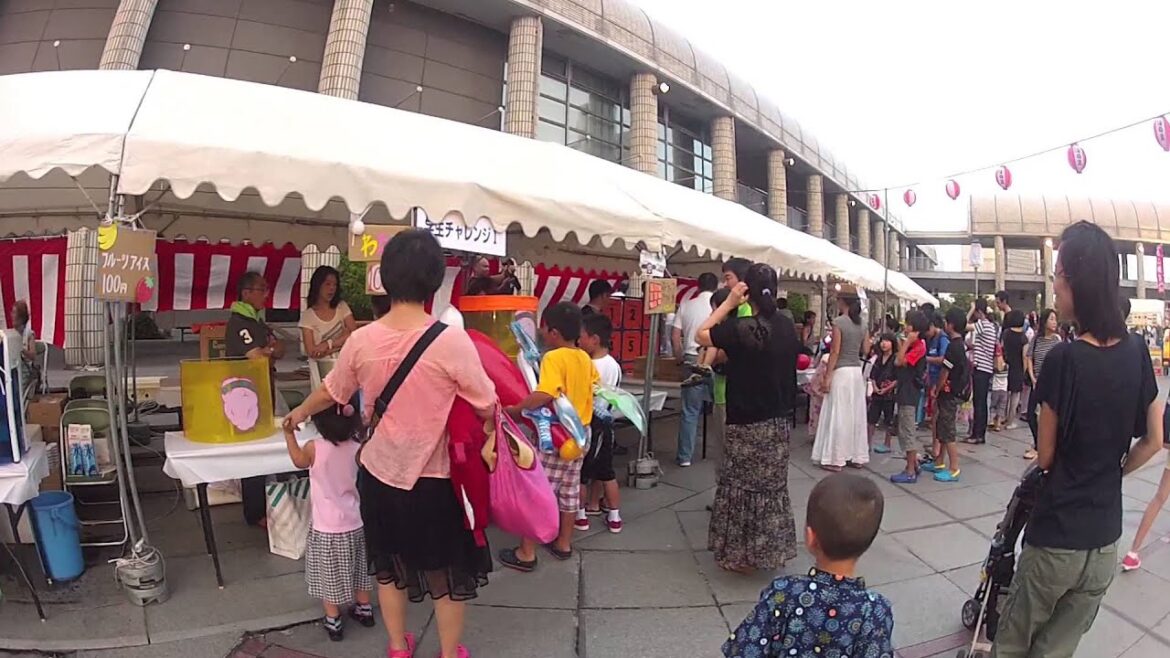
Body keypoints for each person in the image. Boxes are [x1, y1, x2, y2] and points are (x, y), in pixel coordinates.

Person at [284, 230, 497, 658]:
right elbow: (487, 403)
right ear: (434, 282)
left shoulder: (362, 339)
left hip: (379, 477)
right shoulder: (451, 339)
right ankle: (449, 651)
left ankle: (398, 647)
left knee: (389, 568)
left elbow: (331, 391)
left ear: (386, 279)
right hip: (435, 481)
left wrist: (297, 414)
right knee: (444, 574)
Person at [992, 222, 1163, 658]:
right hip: (1105, 541)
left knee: (1011, 645)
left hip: (1056, 538)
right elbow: (1153, 438)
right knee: (1056, 650)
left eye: (1056, 276)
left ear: (1073, 282)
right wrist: (1112, 471)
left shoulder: (1063, 359)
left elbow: (1046, 456)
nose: (1053, 286)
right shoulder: (1137, 351)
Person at [697, 263, 800, 573]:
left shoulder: (743, 328)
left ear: (746, 290)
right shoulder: (786, 326)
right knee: (770, 488)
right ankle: (769, 551)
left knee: (740, 487)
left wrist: (728, 303)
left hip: (745, 421)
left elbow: (701, 335)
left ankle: (742, 555)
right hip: (778, 422)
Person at [722, 473, 893, 658]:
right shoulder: (874, 610)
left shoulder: (783, 592)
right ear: (868, 543)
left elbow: (744, 650)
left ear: (811, 538)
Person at [499, 302, 599, 571]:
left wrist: (519, 408)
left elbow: (546, 393)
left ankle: (526, 552)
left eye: (542, 327)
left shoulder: (554, 358)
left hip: (555, 434)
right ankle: (563, 543)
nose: (541, 332)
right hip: (581, 434)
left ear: (553, 332)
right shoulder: (584, 358)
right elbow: (594, 386)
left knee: (537, 489)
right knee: (568, 487)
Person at [283, 396, 373, 642]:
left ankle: (333, 620)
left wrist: (289, 434)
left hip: (327, 527)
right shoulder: (356, 446)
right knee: (359, 569)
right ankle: (364, 608)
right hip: (355, 521)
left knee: (329, 575)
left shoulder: (315, 447)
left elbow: (298, 461)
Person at [226, 271, 286, 527]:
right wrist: (270, 351)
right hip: (245, 395)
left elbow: (279, 348)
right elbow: (257, 355)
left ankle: (270, 504)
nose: (266, 294)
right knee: (252, 453)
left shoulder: (259, 321)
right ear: (246, 293)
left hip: (264, 389)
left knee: (266, 446)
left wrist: (270, 350)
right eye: (261, 289)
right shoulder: (240, 322)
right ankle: (255, 512)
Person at [811, 288, 871, 472]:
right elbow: (867, 349)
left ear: (842, 301)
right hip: (855, 372)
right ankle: (856, 455)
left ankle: (835, 458)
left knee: (838, 414)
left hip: (841, 371)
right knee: (855, 415)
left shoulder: (839, 322)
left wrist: (827, 377)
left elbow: (835, 351)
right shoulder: (862, 323)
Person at [575, 313, 623, 534]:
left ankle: (581, 515)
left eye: (582, 336)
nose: (579, 341)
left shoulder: (588, 364)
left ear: (594, 339)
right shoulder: (614, 364)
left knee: (582, 474)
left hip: (590, 422)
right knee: (607, 473)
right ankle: (614, 516)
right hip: (608, 423)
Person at [671, 273, 718, 466]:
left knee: (690, 411)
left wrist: (679, 356)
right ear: (716, 287)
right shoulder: (719, 307)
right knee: (723, 405)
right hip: (715, 358)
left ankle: (684, 457)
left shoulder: (686, 304)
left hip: (691, 358)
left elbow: (675, 336)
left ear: (698, 287)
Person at [921, 308, 968, 482]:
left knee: (947, 431)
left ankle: (954, 467)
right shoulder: (959, 344)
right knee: (941, 426)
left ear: (951, 324)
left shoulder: (952, 347)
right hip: (952, 392)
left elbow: (945, 372)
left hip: (948, 393)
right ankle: (939, 461)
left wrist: (937, 388)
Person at [890, 310, 928, 484]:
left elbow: (899, 361)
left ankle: (911, 470)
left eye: (908, 324)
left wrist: (905, 344)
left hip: (909, 393)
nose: (906, 327)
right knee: (904, 430)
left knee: (907, 431)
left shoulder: (918, 347)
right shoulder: (915, 345)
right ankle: (912, 465)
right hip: (905, 391)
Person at [1023, 309, 1060, 459]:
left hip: (1051, 384)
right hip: (1036, 383)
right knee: (1030, 414)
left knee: (1049, 415)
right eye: (1051, 319)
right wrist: (1032, 378)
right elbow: (1029, 358)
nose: (1054, 322)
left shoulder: (1057, 341)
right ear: (1044, 321)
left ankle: (1046, 446)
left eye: (1055, 319)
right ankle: (1038, 444)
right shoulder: (1036, 340)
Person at [300, 266, 357, 360]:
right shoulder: (307, 316)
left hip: (344, 363)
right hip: (320, 369)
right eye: (327, 284)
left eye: (335, 285)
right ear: (317, 286)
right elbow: (312, 352)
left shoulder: (342, 307)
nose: (332, 288)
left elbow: (354, 335)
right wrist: (342, 340)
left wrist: (327, 344)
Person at [966, 299, 998, 444]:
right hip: (985, 368)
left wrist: (970, 310)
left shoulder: (982, 324)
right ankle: (978, 433)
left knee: (979, 402)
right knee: (981, 402)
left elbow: (963, 325)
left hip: (981, 368)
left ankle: (978, 434)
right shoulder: (990, 326)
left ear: (979, 312)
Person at [867, 333, 897, 454]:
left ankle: (887, 443)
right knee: (871, 419)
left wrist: (887, 388)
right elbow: (872, 375)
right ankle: (868, 443)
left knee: (888, 419)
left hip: (889, 394)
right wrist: (874, 387)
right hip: (876, 392)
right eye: (882, 341)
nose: (884, 344)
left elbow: (897, 378)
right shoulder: (878, 358)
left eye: (887, 341)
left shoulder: (895, 359)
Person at [1001, 310, 1027, 430]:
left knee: (1005, 393)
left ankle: (1002, 417)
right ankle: (1011, 421)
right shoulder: (1023, 337)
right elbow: (1024, 356)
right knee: (1015, 395)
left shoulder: (1006, 333)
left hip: (1005, 366)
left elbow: (1001, 347)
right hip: (1018, 368)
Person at [10, 300, 38, 388]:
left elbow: (33, 355)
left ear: (21, 316)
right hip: (11, 369)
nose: (11, 315)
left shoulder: (29, 334)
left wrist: (21, 350)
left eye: (14, 312)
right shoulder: (10, 334)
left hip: (24, 372)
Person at [989, 343, 1009, 432]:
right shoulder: (1007, 366)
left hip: (995, 388)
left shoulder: (995, 367)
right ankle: (998, 424)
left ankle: (991, 420)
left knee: (993, 405)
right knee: (1001, 407)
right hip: (1004, 389)